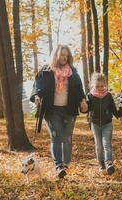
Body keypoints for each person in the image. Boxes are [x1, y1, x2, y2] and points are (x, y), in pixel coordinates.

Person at [30, 45, 88, 179]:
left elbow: (79, 89)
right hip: (52, 110)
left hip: (69, 109)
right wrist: (37, 96)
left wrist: (83, 101)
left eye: (66, 55)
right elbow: (38, 87)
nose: (64, 58)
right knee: (57, 136)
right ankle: (59, 166)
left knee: (67, 137)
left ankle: (66, 163)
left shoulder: (72, 71)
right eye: (62, 55)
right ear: (55, 55)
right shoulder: (46, 71)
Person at [87, 73, 118, 175]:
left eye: (102, 86)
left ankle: (109, 163)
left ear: (105, 84)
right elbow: (87, 109)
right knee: (99, 145)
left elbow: (113, 108)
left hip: (107, 123)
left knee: (107, 144)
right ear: (93, 85)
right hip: (95, 124)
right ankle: (101, 164)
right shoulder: (90, 96)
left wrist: (119, 116)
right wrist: (83, 107)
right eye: (97, 86)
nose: (100, 88)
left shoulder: (108, 95)